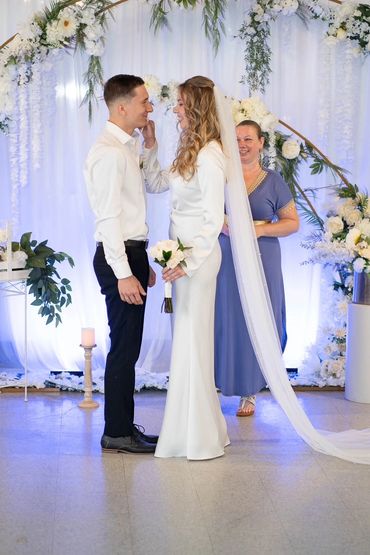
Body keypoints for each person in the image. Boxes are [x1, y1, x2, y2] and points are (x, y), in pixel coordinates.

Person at [142, 76, 230, 460]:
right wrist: (150, 145)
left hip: (198, 261)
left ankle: (199, 436)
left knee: (193, 343)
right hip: (181, 258)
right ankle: (192, 429)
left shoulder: (211, 155)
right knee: (187, 342)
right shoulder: (189, 149)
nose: (174, 109)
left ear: (195, 108)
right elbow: (159, 184)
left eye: (179, 104)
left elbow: (213, 220)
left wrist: (186, 262)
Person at [84, 74, 159, 454]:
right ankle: (116, 432)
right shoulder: (109, 153)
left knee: (127, 346)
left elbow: (144, 193)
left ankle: (124, 426)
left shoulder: (126, 147)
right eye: (145, 101)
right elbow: (108, 219)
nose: (150, 107)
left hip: (130, 253)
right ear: (122, 107)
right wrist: (124, 271)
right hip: (119, 256)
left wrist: (139, 262)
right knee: (123, 348)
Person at [215, 120, 299, 417]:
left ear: (261, 142)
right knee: (228, 316)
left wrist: (258, 231)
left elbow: (292, 222)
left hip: (264, 256)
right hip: (226, 255)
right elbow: (204, 210)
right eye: (236, 139)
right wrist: (223, 223)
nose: (242, 144)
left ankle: (250, 391)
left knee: (262, 315)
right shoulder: (221, 177)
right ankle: (217, 383)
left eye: (248, 139)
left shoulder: (273, 180)